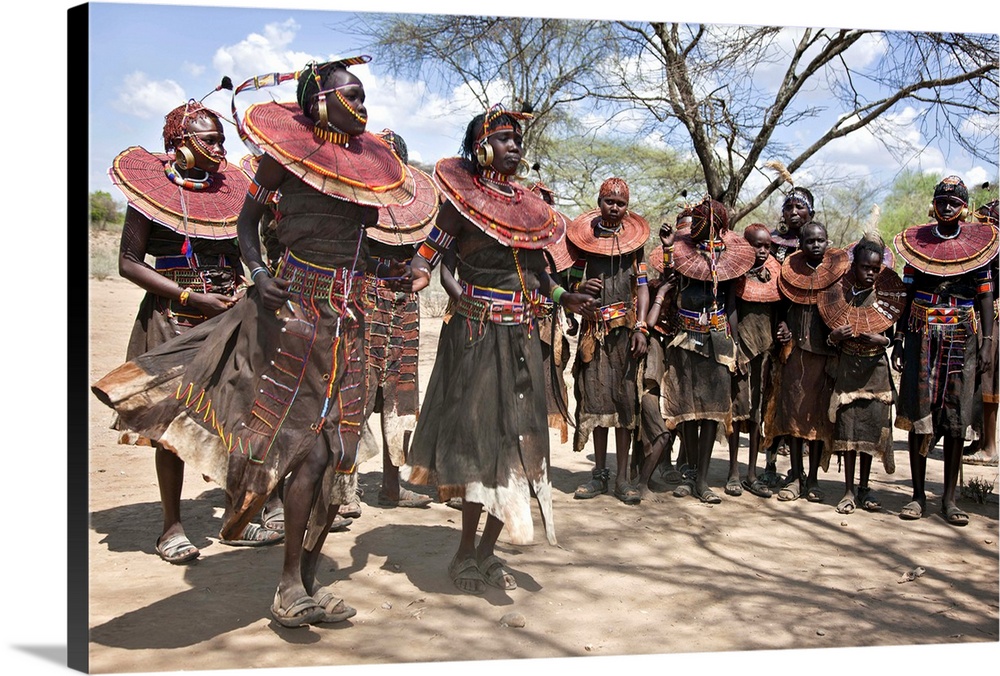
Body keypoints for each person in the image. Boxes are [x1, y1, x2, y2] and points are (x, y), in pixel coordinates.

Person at [95, 56, 430, 626]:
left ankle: (305, 580)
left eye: (366, 96)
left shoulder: (368, 167)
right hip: (295, 313)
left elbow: (369, 240)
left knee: (340, 457)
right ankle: (287, 584)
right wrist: (257, 271)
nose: (363, 105)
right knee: (309, 451)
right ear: (319, 101)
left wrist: (385, 274)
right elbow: (250, 222)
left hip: (349, 320)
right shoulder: (285, 161)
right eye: (352, 94)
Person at [405, 104, 597, 594]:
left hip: (523, 336)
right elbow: (429, 252)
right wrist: (420, 274)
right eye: (504, 138)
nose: (515, 145)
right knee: (480, 444)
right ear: (482, 147)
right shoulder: (460, 203)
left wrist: (563, 296)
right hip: (475, 337)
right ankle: (465, 552)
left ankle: (489, 551)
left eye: (518, 139)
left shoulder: (531, 208)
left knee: (520, 442)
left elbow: (538, 275)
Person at [106, 96, 283, 564]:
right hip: (172, 318)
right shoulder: (149, 194)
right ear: (180, 144)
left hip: (227, 317)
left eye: (222, 139)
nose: (220, 147)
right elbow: (128, 262)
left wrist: (251, 282)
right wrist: (190, 296)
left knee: (233, 416)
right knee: (172, 425)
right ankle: (171, 527)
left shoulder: (232, 190)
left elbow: (245, 248)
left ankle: (234, 520)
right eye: (210, 139)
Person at [892, 176, 997, 525]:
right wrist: (899, 337)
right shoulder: (917, 244)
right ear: (933, 205)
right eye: (942, 200)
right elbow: (906, 294)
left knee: (956, 417)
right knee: (920, 413)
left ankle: (950, 499)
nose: (948, 206)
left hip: (962, 338)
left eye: (955, 202)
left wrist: (986, 343)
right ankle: (918, 495)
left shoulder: (978, 248)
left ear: (964, 207)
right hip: (922, 336)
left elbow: (984, 296)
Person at [358, 128, 438, 508]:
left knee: (400, 396)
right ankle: (343, 491)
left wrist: (419, 275)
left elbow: (424, 258)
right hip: (361, 302)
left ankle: (392, 485)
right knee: (353, 392)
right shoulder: (353, 198)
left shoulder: (417, 209)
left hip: (403, 306)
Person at [659, 196, 755, 503]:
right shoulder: (681, 255)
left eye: (709, 223)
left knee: (712, 413)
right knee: (688, 410)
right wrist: (666, 247)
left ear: (719, 227)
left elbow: (731, 307)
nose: (703, 228)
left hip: (717, 340)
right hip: (686, 338)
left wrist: (736, 346)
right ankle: (688, 475)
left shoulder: (728, 262)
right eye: (699, 222)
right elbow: (665, 280)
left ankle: (701, 480)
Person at [565, 177, 650, 504]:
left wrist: (641, 327)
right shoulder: (583, 244)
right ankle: (599, 474)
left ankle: (622, 477)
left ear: (627, 207)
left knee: (625, 402)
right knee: (596, 402)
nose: (615, 208)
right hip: (594, 334)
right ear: (598, 202)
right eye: (609, 202)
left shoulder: (634, 245)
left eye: (620, 203)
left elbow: (641, 286)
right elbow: (570, 286)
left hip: (625, 335)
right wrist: (581, 292)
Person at [819, 235, 905, 514]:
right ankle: (847, 490)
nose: (870, 273)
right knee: (848, 427)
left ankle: (865, 488)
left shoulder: (887, 295)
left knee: (869, 428)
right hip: (848, 368)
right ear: (854, 265)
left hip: (876, 370)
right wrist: (834, 337)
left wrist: (883, 341)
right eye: (866, 267)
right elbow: (828, 337)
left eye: (876, 268)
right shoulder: (838, 296)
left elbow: (890, 336)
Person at [767, 221, 849, 503]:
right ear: (800, 243)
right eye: (809, 240)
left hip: (824, 354)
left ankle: (813, 479)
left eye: (820, 240)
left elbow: (844, 312)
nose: (815, 244)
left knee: (817, 418)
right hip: (794, 354)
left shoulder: (838, 276)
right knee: (793, 415)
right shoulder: (790, 273)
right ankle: (796, 476)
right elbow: (780, 306)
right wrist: (783, 326)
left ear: (828, 242)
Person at [729, 224, 782, 498]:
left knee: (757, 413)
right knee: (738, 411)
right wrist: (736, 346)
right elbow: (731, 310)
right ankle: (734, 473)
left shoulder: (775, 275)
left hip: (765, 351)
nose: (762, 251)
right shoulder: (735, 274)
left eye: (766, 246)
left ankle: (751, 472)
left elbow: (781, 309)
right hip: (742, 350)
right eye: (756, 246)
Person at [962, 198, 999, 467]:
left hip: (993, 319)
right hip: (984, 318)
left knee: (989, 381)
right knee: (979, 381)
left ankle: (989, 446)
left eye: (987, 222)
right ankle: (980, 439)